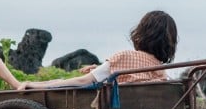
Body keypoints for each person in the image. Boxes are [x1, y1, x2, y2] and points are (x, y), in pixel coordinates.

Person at [23, 10, 178, 89]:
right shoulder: (160, 71)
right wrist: (101, 69)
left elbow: (82, 81)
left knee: (59, 82)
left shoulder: (124, 58)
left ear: (141, 33)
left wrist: (36, 84)